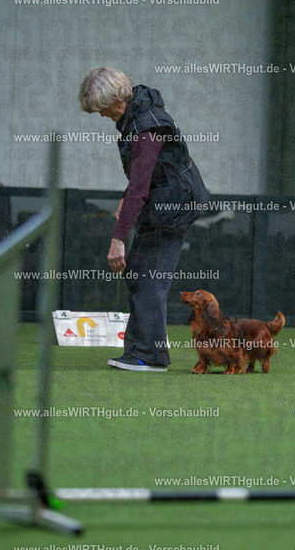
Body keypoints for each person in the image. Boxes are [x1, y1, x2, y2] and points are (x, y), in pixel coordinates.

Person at [78, 67, 209, 371]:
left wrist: (117, 239)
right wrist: (126, 200)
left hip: (174, 204)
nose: (101, 115)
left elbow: (140, 186)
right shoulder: (138, 114)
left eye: (102, 108)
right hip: (168, 197)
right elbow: (142, 177)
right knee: (139, 274)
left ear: (116, 99)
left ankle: (150, 355)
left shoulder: (146, 128)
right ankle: (139, 352)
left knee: (149, 280)